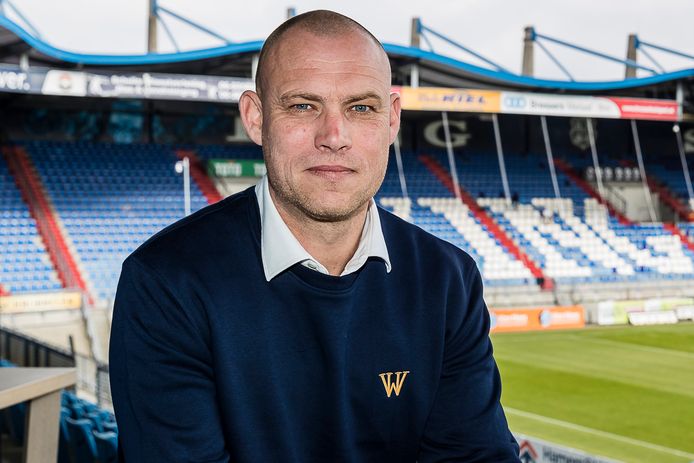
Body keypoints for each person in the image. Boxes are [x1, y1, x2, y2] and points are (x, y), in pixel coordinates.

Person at [109, 10, 520, 462]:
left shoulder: (448, 279)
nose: (334, 136)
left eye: (361, 108)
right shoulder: (166, 283)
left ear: (392, 120)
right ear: (255, 118)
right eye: (303, 105)